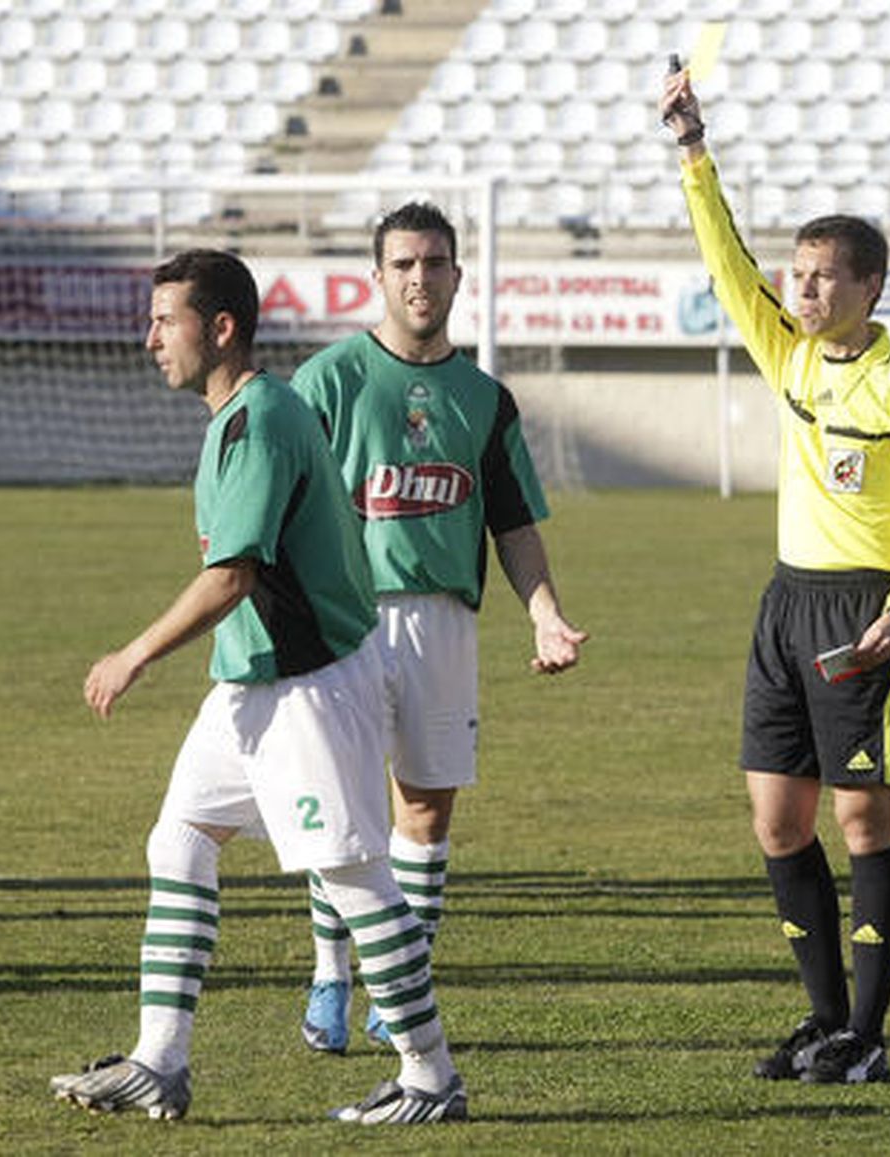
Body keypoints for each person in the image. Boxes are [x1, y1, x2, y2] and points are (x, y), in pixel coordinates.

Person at [50, 249, 467, 1125]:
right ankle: (160, 1060)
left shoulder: (264, 419)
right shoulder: (239, 416)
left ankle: (431, 1077)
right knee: (180, 840)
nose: (151, 336)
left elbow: (232, 576)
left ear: (222, 327)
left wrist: (131, 654)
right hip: (249, 686)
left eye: (167, 319)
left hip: (308, 690)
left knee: (356, 880)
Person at [660, 69, 890, 1084]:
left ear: (870, 286)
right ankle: (824, 1018)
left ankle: (869, 1034)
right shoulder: (789, 359)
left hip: (864, 606)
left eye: (823, 277)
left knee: (862, 820)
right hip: (785, 603)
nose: (802, 291)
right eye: (797, 276)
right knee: (775, 818)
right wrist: (693, 154)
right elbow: (725, 261)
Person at [289, 201, 586, 1052]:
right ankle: (330, 974)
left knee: (424, 810)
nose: (420, 278)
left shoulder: (485, 399)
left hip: (443, 620)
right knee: (341, 810)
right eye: (404, 264)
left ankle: (401, 986)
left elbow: (514, 523)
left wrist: (546, 616)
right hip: (342, 618)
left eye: (435, 263)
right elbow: (285, 499)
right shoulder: (328, 380)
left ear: (458, 275)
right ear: (377, 277)